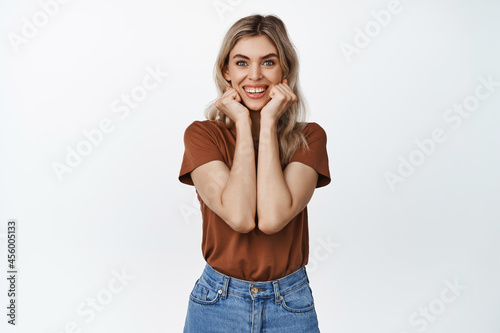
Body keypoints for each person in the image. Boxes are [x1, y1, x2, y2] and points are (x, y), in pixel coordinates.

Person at [178, 13, 331, 333]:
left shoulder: (310, 137)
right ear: (226, 72)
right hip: (217, 301)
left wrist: (271, 122)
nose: (255, 75)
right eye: (243, 63)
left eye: (269, 62)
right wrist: (245, 123)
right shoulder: (202, 135)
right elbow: (241, 217)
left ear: (285, 70)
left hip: (289, 302)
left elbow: (273, 218)